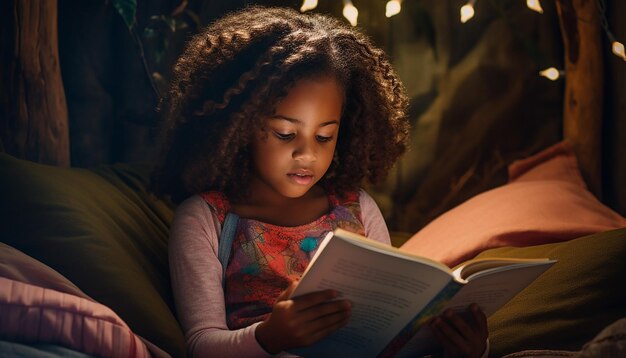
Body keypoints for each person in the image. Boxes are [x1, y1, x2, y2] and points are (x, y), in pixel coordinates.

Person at [153, 6, 488, 357]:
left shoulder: (356, 208)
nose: (308, 155)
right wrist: (270, 336)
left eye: (325, 136)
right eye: (285, 134)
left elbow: (393, 326)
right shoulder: (206, 218)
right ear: (239, 125)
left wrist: (466, 346)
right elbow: (202, 345)